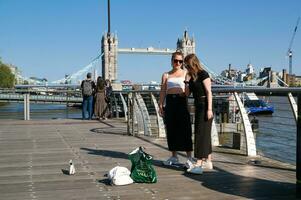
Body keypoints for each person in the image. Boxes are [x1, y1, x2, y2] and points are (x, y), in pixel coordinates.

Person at [159, 51, 193, 168]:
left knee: (185, 129)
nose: (177, 63)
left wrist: (187, 85)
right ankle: (174, 156)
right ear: (171, 61)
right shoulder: (166, 75)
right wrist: (160, 105)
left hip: (182, 101)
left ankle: (189, 158)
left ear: (183, 62)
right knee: (171, 129)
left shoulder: (186, 73)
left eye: (180, 61)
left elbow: (188, 93)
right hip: (170, 102)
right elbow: (163, 91)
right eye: (175, 61)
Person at [184, 53, 214, 174]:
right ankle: (208, 162)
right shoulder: (191, 76)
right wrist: (186, 82)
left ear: (193, 63)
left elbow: (209, 92)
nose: (186, 67)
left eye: (187, 65)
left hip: (205, 104)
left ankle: (199, 163)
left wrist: (209, 109)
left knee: (201, 134)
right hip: (198, 105)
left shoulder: (203, 74)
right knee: (203, 133)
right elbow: (186, 94)